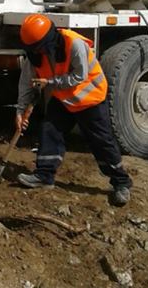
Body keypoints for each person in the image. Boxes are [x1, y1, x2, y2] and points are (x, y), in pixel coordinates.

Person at [15, 13, 132, 207]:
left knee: (101, 141)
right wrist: (20, 111)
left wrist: (49, 82)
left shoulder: (74, 44)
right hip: (64, 99)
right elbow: (26, 83)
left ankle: (121, 182)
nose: (37, 52)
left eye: (39, 48)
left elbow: (79, 76)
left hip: (90, 98)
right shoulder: (35, 54)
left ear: (49, 40)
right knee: (49, 130)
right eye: (34, 49)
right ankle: (44, 176)